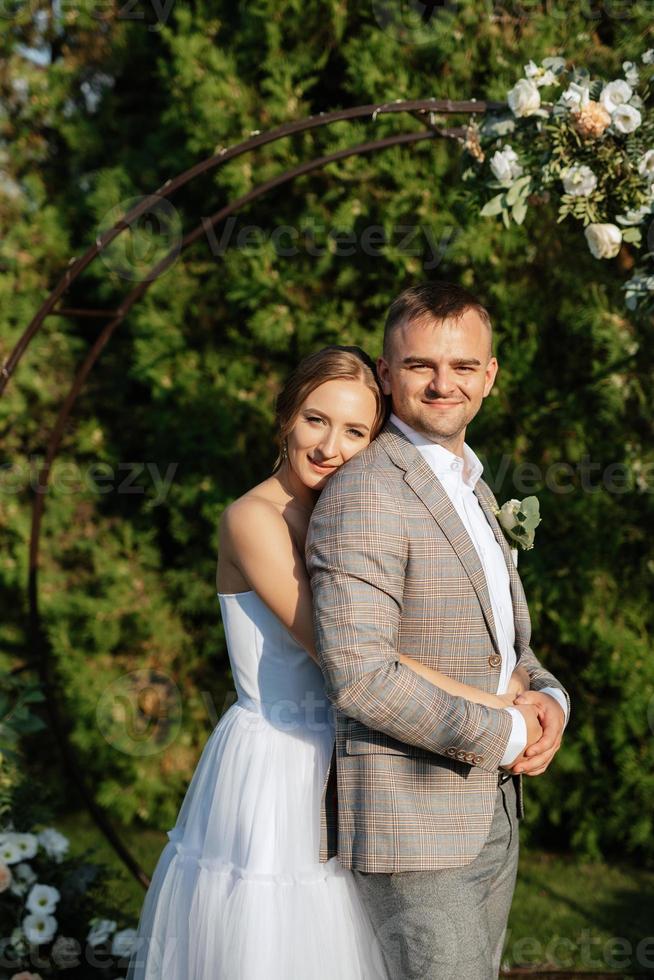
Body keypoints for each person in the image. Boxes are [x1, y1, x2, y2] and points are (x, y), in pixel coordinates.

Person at [126, 344, 541, 980]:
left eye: (355, 431)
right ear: (287, 417)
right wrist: (491, 704)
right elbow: (346, 650)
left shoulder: (353, 513)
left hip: (364, 755)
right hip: (283, 760)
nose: (330, 447)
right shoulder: (252, 519)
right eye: (315, 420)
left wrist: (518, 681)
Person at [306, 285, 571, 980]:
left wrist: (549, 700)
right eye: (421, 365)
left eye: (462, 366)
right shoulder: (366, 492)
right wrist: (509, 734)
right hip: (412, 822)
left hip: (494, 809)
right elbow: (361, 676)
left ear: (489, 376)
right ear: (387, 376)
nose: (442, 382)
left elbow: (503, 644)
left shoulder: (474, 485)